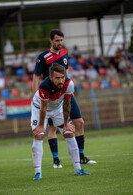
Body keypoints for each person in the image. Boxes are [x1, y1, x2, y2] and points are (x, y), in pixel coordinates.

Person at [33, 29, 96, 168]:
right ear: (51, 40)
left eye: (61, 40)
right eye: (57, 40)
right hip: (51, 96)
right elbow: (36, 77)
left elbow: (66, 72)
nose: (60, 43)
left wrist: (69, 88)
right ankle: (56, 160)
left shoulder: (64, 53)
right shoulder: (43, 57)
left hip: (66, 93)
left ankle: (81, 157)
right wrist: (36, 96)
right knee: (53, 127)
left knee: (79, 122)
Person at [31, 63, 90, 180]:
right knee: (39, 135)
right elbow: (44, 107)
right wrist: (41, 126)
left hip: (58, 108)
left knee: (69, 133)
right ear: (51, 77)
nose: (61, 80)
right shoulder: (44, 86)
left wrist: (66, 123)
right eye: (57, 78)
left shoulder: (69, 84)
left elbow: (67, 103)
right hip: (40, 108)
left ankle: (78, 169)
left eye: (62, 77)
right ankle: (38, 173)